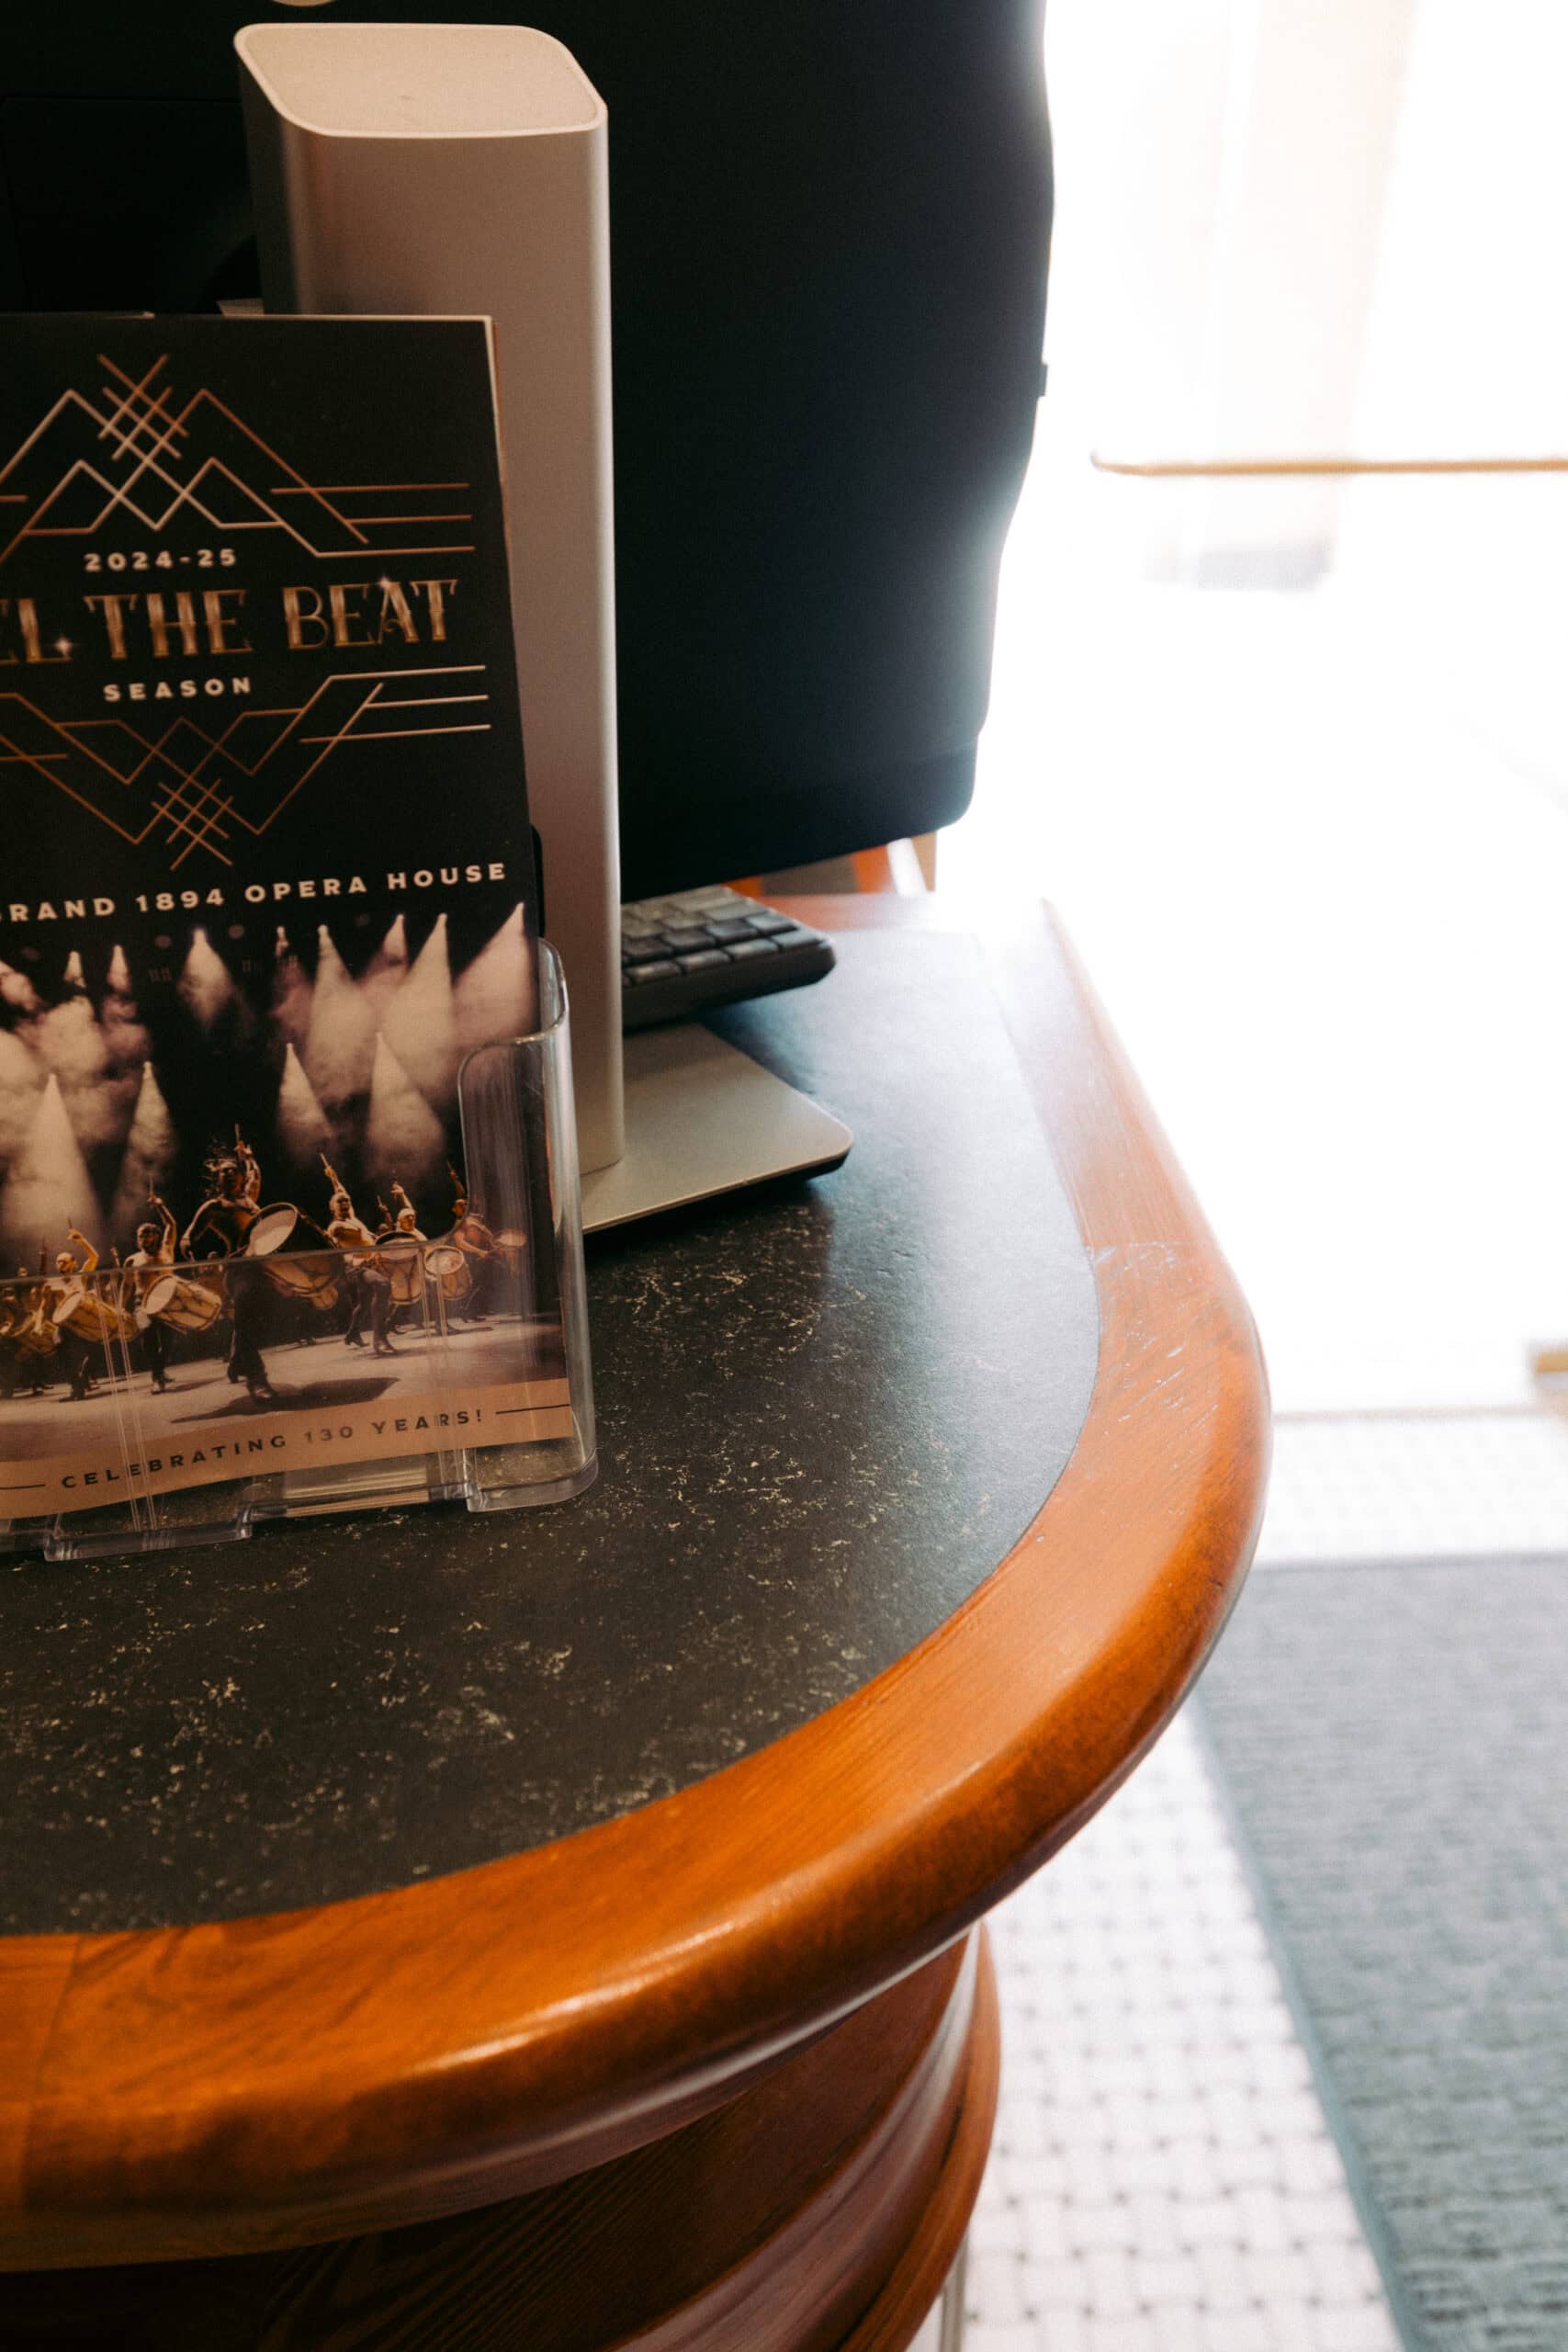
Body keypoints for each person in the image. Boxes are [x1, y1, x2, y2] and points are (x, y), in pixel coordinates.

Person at [180, 1136, 276, 1403]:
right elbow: (188, 1236)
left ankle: (235, 1360)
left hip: (262, 1267)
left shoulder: (250, 1198)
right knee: (245, 1319)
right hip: (238, 1271)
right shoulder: (214, 1208)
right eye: (225, 1171)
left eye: (235, 1170)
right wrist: (188, 1249)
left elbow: (256, 1174)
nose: (231, 1173)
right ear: (217, 1179)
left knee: (252, 1321)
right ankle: (257, 1378)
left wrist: (249, 1157)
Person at [321, 1157, 382, 1352]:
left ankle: (352, 1334)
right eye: (340, 1202)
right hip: (356, 1268)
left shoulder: (352, 1218)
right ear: (333, 1207)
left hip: (368, 1264)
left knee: (364, 1303)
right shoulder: (336, 1227)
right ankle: (380, 1335)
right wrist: (359, 1262)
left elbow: (341, 1191)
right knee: (381, 1287)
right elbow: (338, 1250)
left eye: (347, 1201)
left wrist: (333, 1178)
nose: (345, 1203)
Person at [122, 1189, 177, 1395]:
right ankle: (157, 1377)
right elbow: (126, 1285)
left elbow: (171, 1225)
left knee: (169, 1342)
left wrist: (160, 1206)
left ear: (156, 1235)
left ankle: (160, 1369)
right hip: (142, 1304)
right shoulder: (132, 1260)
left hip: (167, 1301)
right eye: (140, 1235)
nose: (143, 1238)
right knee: (147, 1334)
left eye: (147, 1234)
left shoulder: (166, 1250)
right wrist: (120, 1307)